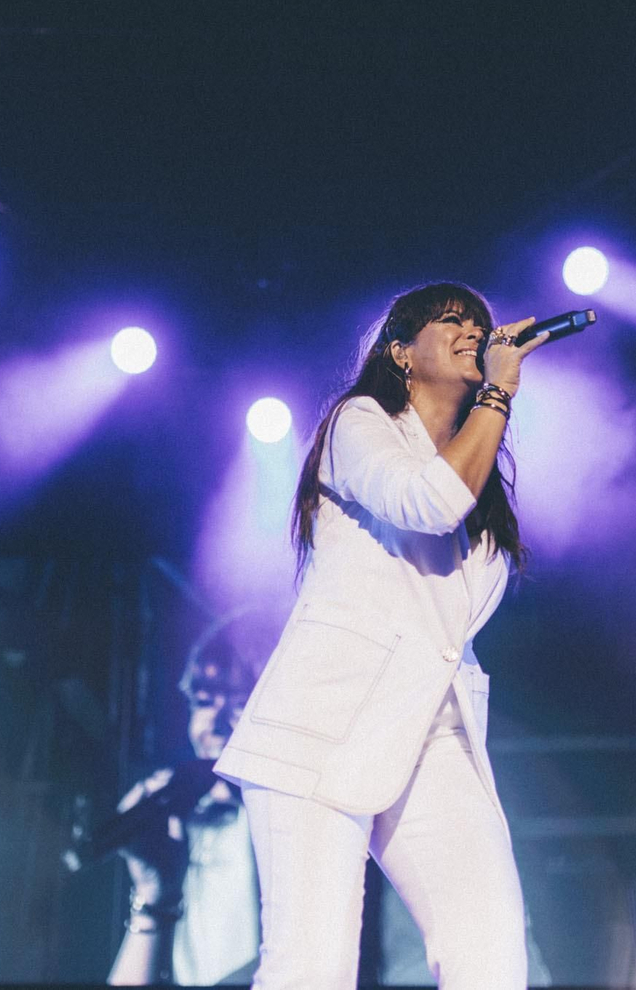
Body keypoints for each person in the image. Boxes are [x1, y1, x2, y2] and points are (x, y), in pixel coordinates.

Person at [213, 282, 548, 990]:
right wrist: (497, 396)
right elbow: (424, 502)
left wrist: (489, 411)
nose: (472, 329)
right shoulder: (359, 421)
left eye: (479, 323)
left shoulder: (475, 473)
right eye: (450, 319)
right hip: (322, 727)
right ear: (401, 350)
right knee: (312, 970)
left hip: (428, 724)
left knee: (490, 951)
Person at [107, 629, 261, 986]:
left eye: (238, 704)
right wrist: (153, 896)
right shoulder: (180, 830)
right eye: (203, 702)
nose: (215, 725)